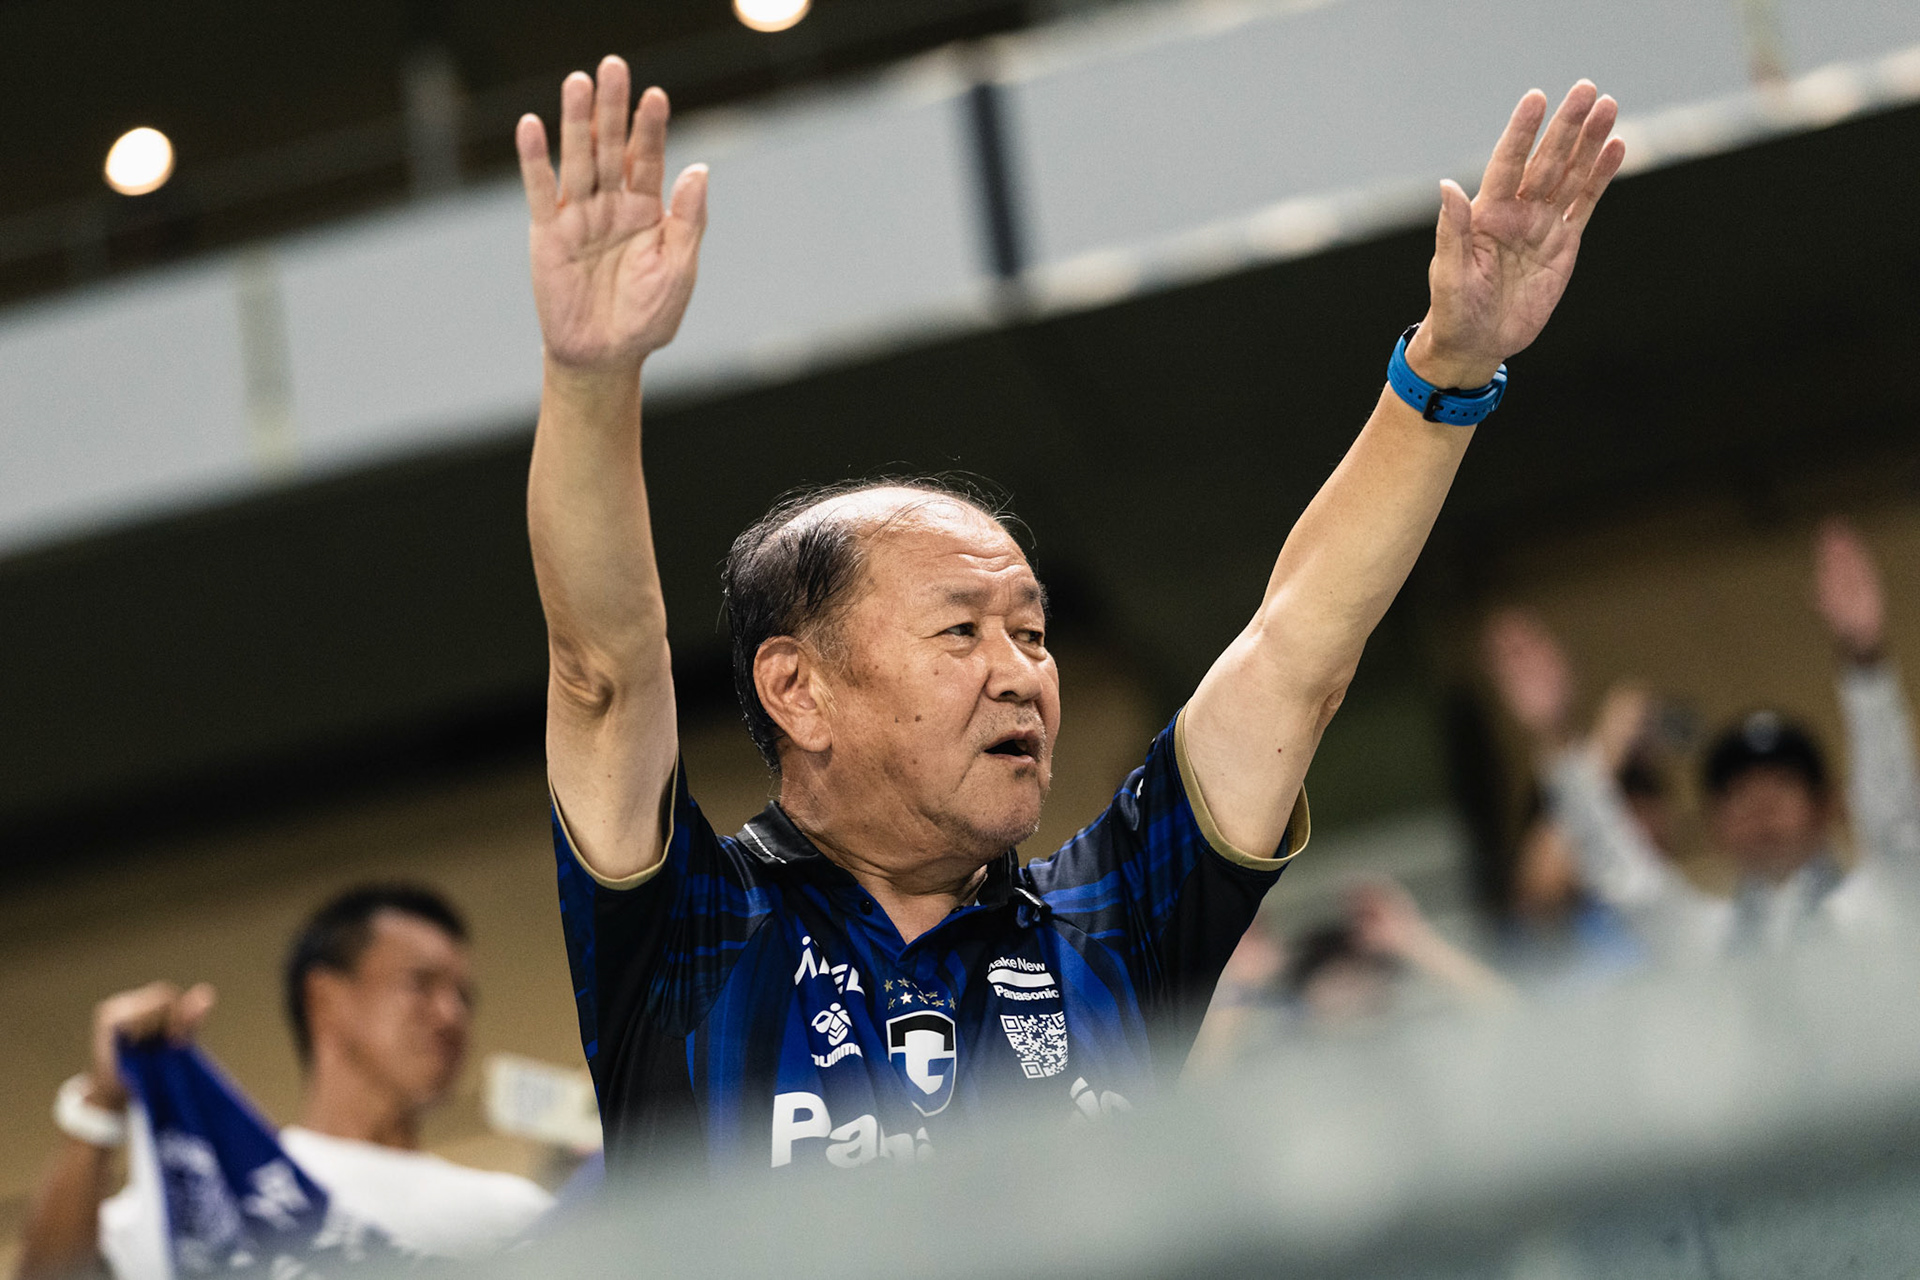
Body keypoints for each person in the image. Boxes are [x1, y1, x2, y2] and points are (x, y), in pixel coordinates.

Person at [518, 54, 1624, 1171]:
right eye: (962, 631)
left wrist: (1449, 367)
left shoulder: (1115, 922)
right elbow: (603, 670)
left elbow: (1298, 648)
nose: (1020, 673)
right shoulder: (694, 931)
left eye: (1034, 633)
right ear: (796, 688)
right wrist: (590, 378)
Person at [15, 885, 552, 1279]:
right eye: (421, 985)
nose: (451, 1015)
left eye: (464, 997)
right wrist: (100, 1106)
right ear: (324, 997)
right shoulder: (213, 1190)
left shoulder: (515, 1215)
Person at [1484, 520, 1920, 958]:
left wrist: (1864, 659)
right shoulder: (1705, 941)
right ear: (1714, 826)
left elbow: (1894, 822)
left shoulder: (1879, 909)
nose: (1759, 808)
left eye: (1781, 786)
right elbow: (1625, 879)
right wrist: (1555, 732)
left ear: (1827, 806)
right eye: (1737, 794)